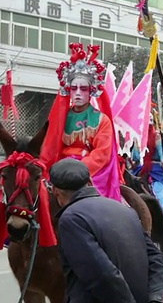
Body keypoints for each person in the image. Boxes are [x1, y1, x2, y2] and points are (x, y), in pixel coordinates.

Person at [50, 158, 163, 303]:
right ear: (90, 182)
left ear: (55, 191)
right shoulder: (126, 210)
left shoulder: (71, 219)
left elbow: (101, 275)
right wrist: (155, 298)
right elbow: (157, 258)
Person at [40, 42, 122, 201]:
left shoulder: (101, 120)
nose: (77, 93)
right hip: (60, 170)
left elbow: (101, 155)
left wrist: (78, 171)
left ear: (91, 91)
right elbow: (49, 149)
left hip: (90, 173)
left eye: (83, 89)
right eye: (73, 88)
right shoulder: (60, 119)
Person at [133, 123, 163, 221]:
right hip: (139, 171)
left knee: (162, 197)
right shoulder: (135, 135)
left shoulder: (157, 136)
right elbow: (135, 157)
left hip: (156, 174)